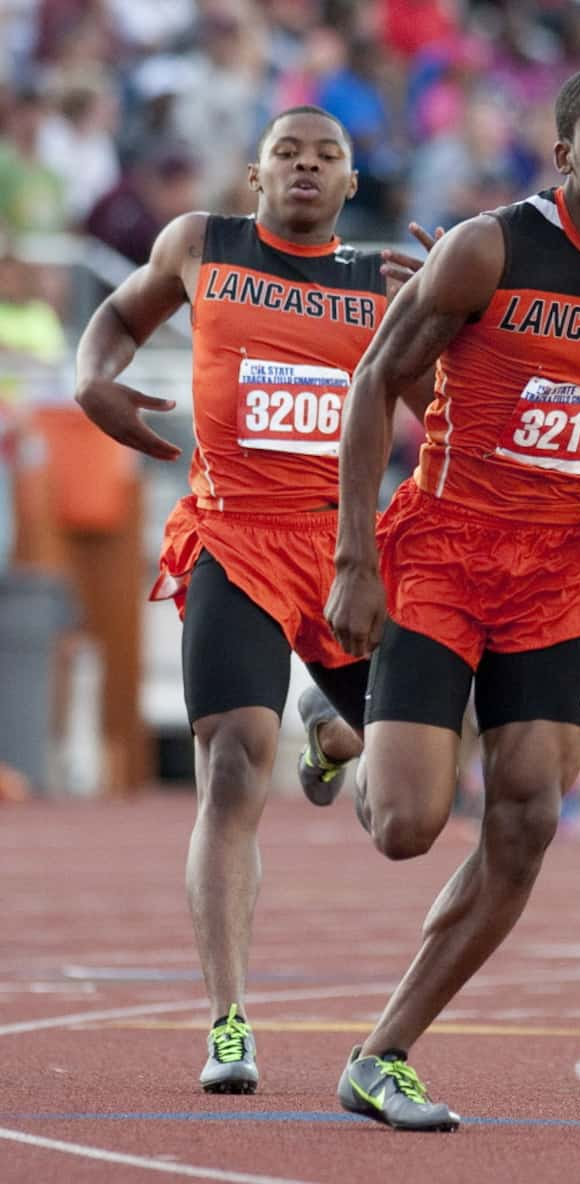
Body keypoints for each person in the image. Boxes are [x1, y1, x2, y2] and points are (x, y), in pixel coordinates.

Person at [323, 63, 580, 1131]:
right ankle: (340, 726)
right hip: (443, 550)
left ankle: (383, 1050)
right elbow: (372, 380)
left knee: (526, 816)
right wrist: (353, 558)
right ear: (564, 155)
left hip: (555, 571)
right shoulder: (489, 247)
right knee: (406, 824)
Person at [74, 105, 435, 1094]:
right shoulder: (201, 245)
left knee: (409, 810)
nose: (306, 168)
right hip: (231, 534)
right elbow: (118, 314)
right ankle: (228, 1020)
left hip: (346, 548)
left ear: (352, 184)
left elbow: (448, 412)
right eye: (288, 153)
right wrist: (91, 375)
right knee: (232, 761)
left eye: (327, 156)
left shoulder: (384, 285)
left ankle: (333, 731)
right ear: (254, 172)